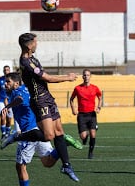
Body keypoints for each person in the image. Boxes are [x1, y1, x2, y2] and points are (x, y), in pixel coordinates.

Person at [5, 33, 79, 182]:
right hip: (40, 100)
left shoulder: (33, 59)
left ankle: (66, 165)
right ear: (28, 45)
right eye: (35, 42)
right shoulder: (26, 62)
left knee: (59, 132)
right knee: (48, 136)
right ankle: (17, 136)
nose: (37, 44)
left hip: (48, 98)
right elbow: (47, 78)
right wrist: (67, 77)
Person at [1, 72, 60, 185]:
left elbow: (20, 99)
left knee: (20, 166)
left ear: (16, 83)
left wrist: (8, 106)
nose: (5, 84)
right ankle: (62, 146)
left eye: (8, 82)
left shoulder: (17, 92)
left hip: (29, 133)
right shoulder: (27, 89)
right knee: (47, 162)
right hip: (39, 130)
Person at [70, 69, 102, 159]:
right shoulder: (77, 88)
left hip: (92, 114)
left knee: (93, 134)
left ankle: (91, 153)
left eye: (88, 75)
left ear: (90, 76)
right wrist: (73, 109)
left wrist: (99, 107)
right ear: (82, 77)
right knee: (83, 136)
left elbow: (100, 97)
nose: (86, 77)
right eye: (84, 75)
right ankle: (85, 137)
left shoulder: (95, 88)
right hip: (82, 115)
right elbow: (71, 99)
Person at [0, 65, 13, 139]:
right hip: (1, 100)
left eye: (7, 70)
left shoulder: (12, 80)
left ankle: (8, 133)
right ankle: (3, 133)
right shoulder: (0, 79)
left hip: (10, 101)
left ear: (9, 71)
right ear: (3, 71)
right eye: (5, 70)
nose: (6, 71)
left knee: (9, 119)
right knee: (3, 117)